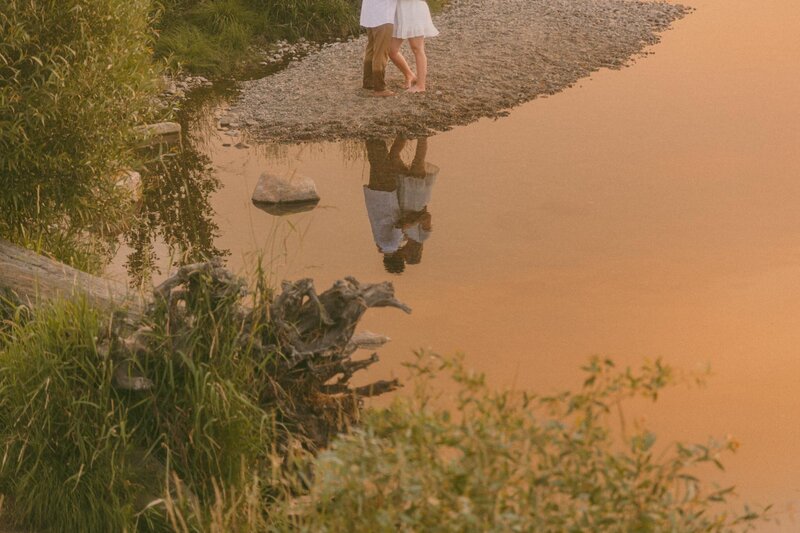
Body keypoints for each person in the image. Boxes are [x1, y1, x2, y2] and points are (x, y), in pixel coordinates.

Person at [360, 0, 413, 97]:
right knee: (381, 52)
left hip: (369, 15)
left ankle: (368, 82)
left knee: (371, 49)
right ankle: (379, 88)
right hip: (382, 16)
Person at [389, 0, 439, 92]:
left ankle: (421, 85)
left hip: (414, 10)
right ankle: (409, 75)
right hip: (399, 12)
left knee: (417, 48)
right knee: (391, 50)